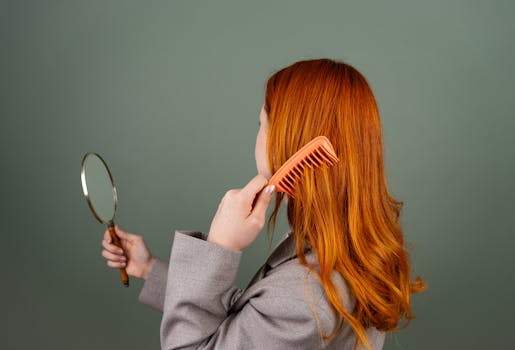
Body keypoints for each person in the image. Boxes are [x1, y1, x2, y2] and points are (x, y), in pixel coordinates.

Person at [101, 58, 427, 350]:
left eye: (262, 124)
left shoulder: (305, 300)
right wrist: (148, 269)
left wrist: (219, 246)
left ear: (285, 140)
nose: (257, 135)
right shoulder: (341, 248)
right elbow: (250, 321)